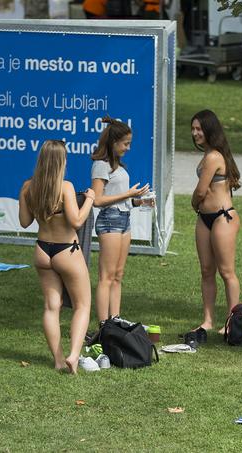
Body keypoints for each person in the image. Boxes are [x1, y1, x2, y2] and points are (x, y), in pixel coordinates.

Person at [19, 140, 95, 374]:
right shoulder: (66, 187)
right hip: (66, 251)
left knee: (51, 307)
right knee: (82, 305)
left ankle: (58, 360)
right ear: (61, 161)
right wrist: (90, 199)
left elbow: (24, 222)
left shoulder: (28, 187)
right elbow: (77, 221)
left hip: (43, 250)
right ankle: (73, 355)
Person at [91, 117, 150, 323]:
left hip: (124, 219)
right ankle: (103, 324)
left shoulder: (119, 166)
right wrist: (127, 195)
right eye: (125, 143)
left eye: (130, 143)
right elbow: (97, 200)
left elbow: (118, 198)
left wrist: (137, 201)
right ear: (113, 142)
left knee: (118, 275)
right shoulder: (101, 165)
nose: (128, 147)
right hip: (109, 222)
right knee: (106, 277)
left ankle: (115, 319)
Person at [190, 110, 241, 336]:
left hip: (223, 217)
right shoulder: (209, 154)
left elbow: (201, 191)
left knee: (227, 271)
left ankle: (233, 320)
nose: (195, 133)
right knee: (206, 270)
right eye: (193, 129)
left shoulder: (213, 157)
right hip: (205, 219)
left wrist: (193, 203)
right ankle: (208, 320)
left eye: (199, 129)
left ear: (210, 129)